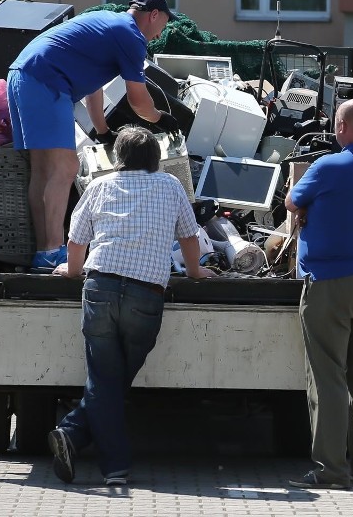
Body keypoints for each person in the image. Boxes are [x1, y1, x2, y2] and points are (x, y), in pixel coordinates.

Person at [49, 126, 216, 486]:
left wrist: (72, 270)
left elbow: (76, 239)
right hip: (145, 295)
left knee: (105, 379)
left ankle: (74, 435)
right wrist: (195, 272)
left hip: (100, 286)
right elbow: (189, 235)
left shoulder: (98, 186)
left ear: (118, 157)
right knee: (113, 380)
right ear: (155, 156)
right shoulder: (171, 185)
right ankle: (114, 468)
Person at [7, 0, 181, 269]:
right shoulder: (132, 36)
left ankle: (44, 253)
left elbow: (93, 88)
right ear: (154, 15)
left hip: (23, 74)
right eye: (163, 25)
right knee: (65, 168)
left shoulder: (108, 23)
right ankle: (52, 250)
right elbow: (138, 101)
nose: (160, 34)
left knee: (42, 169)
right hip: (47, 80)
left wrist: (102, 131)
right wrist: (160, 118)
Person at [284, 98, 353, 489]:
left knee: (328, 375)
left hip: (330, 280)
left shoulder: (326, 165)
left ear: (343, 126)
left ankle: (331, 470)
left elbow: (292, 201)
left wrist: (306, 211)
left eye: (336, 124)